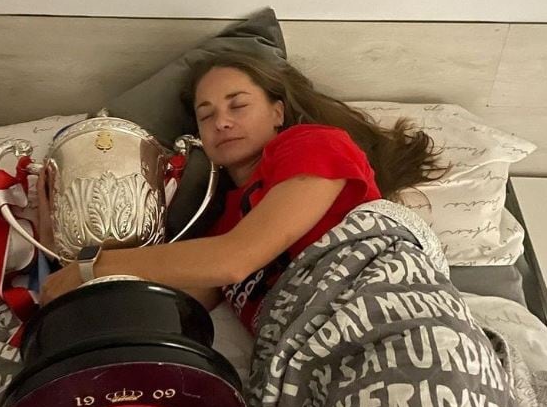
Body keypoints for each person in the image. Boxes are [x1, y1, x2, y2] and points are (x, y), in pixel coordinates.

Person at [38, 51, 444, 334]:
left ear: (277, 112)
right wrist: (57, 242)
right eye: (206, 114)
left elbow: (236, 260)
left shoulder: (314, 144)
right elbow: (164, 300)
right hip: (299, 361)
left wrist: (95, 267)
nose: (222, 122)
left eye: (238, 105)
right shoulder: (220, 226)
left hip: (379, 314)